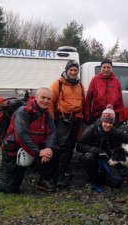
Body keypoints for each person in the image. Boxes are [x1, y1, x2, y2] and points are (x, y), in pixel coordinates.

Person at [0, 87, 58, 193]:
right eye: (43, 97)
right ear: (36, 98)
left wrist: (48, 149)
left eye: (49, 99)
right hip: (14, 149)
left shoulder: (46, 114)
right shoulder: (23, 111)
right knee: (11, 188)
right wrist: (39, 152)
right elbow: (21, 135)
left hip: (31, 147)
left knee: (55, 149)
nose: (46, 101)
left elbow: (52, 132)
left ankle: (43, 180)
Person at [48, 60, 85, 188]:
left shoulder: (80, 86)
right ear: (66, 70)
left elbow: (83, 103)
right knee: (62, 149)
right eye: (71, 70)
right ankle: (57, 177)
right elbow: (50, 103)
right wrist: (52, 122)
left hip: (75, 121)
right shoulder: (57, 84)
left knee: (70, 148)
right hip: (62, 121)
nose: (73, 72)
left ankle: (63, 173)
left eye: (75, 70)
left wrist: (82, 118)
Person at [84, 59, 125, 127]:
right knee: (98, 137)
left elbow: (120, 101)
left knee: (112, 137)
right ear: (101, 68)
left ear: (111, 68)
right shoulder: (95, 80)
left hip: (113, 116)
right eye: (104, 67)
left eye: (108, 67)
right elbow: (88, 100)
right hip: (98, 116)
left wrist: (121, 118)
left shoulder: (116, 81)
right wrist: (87, 117)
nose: (106, 69)